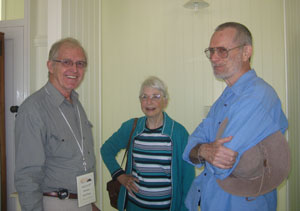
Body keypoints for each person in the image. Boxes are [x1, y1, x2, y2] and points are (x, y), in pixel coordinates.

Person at [182, 22, 288, 211]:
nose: (214, 58)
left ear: (246, 52)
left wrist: (202, 151)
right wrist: (203, 151)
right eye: (211, 51)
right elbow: (190, 147)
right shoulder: (225, 98)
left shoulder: (258, 96)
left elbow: (221, 165)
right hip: (210, 201)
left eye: (222, 50)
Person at [14, 38, 99, 211]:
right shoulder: (33, 109)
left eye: (80, 64)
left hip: (83, 201)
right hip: (55, 203)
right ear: (51, 66)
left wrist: (89, 204)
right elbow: (27, 175)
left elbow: (78, 159)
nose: (74, 69)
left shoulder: (76, 104)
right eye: (66, 62)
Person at [101, 76, 195, 211]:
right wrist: (119, 176)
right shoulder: (131, 128)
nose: (149, 102)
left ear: (165, 101)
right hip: (135, 207)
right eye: (144, 97)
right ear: (140, 101)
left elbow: (188, 179)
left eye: (156, 96)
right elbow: (106, 150)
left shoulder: (178, 133)